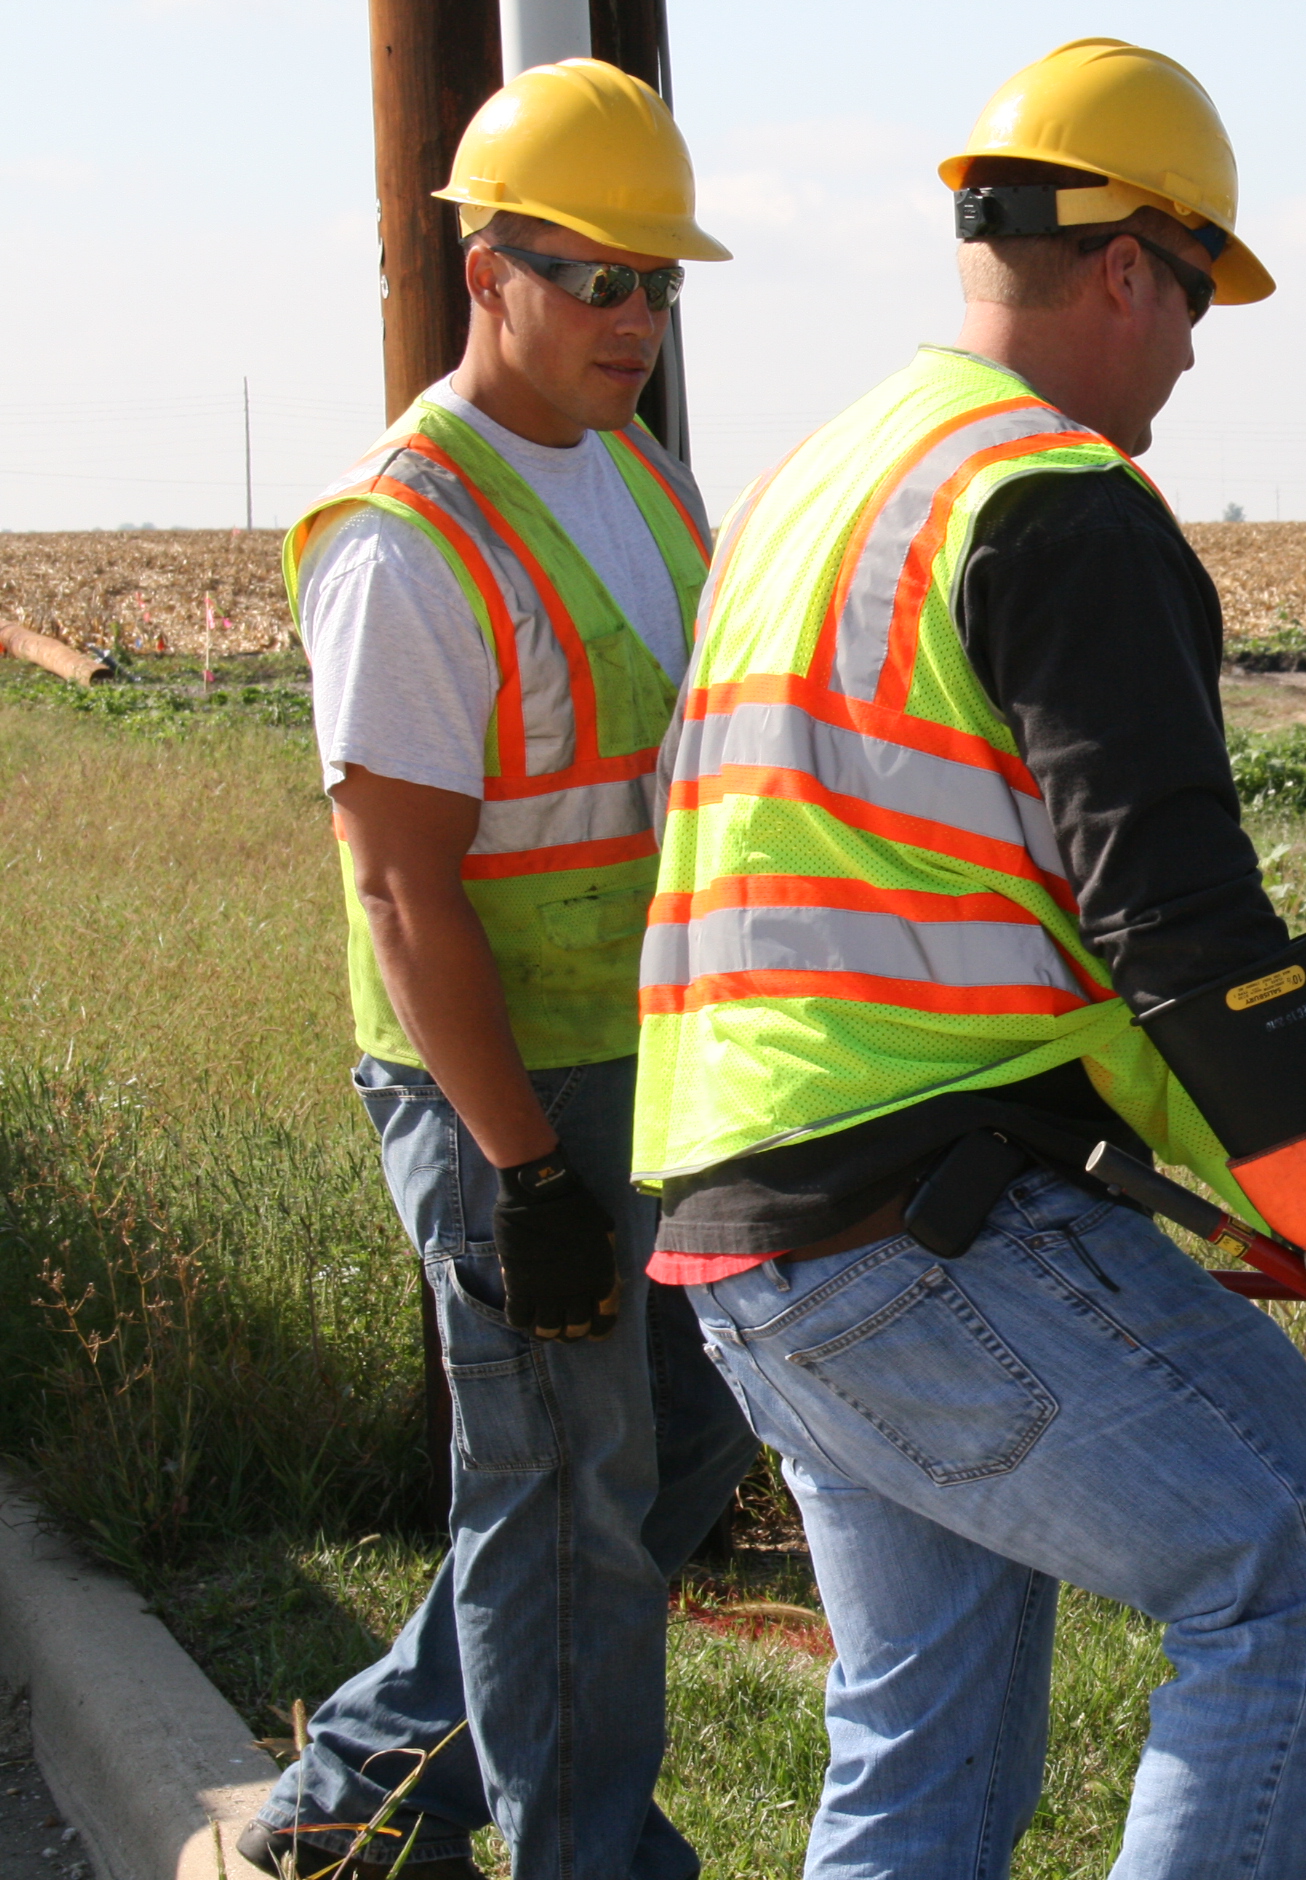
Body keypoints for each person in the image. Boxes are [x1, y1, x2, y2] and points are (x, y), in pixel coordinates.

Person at [629, 37, 1306, 1880]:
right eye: (1194, 298)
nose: (1190, 347)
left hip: (739, 1232)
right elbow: (1182, 923)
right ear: (1120, 267)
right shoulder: (1059, 502)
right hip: (916, 1223)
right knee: (1302, 1570)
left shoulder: (821, 479)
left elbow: (1048, 932)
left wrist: (1297, 1218)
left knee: (927, 1753)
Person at [245, 59, 759, 1880]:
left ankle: (347, 1800)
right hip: (503, 1099)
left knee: (669, 1451)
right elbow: (400, 889)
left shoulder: (648, 482)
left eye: (660, 281)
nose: (635, 316)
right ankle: (596, 1858)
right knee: (564, 1501)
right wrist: (524, 1172)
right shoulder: (404, 539)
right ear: (489, 272)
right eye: (595, 276)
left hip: (663, 1072)